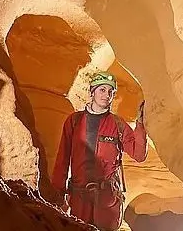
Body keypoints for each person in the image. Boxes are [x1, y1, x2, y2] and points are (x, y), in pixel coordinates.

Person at [51, 71, 147, 231]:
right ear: (92, 92)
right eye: (102, 90)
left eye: (110, 92)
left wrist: (140, 126)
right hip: (80, 198)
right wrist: (57, 194)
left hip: (107, 201)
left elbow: (138, 154)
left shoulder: (117, 124)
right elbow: (62, 159)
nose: (107, 95)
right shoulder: (74, 121)